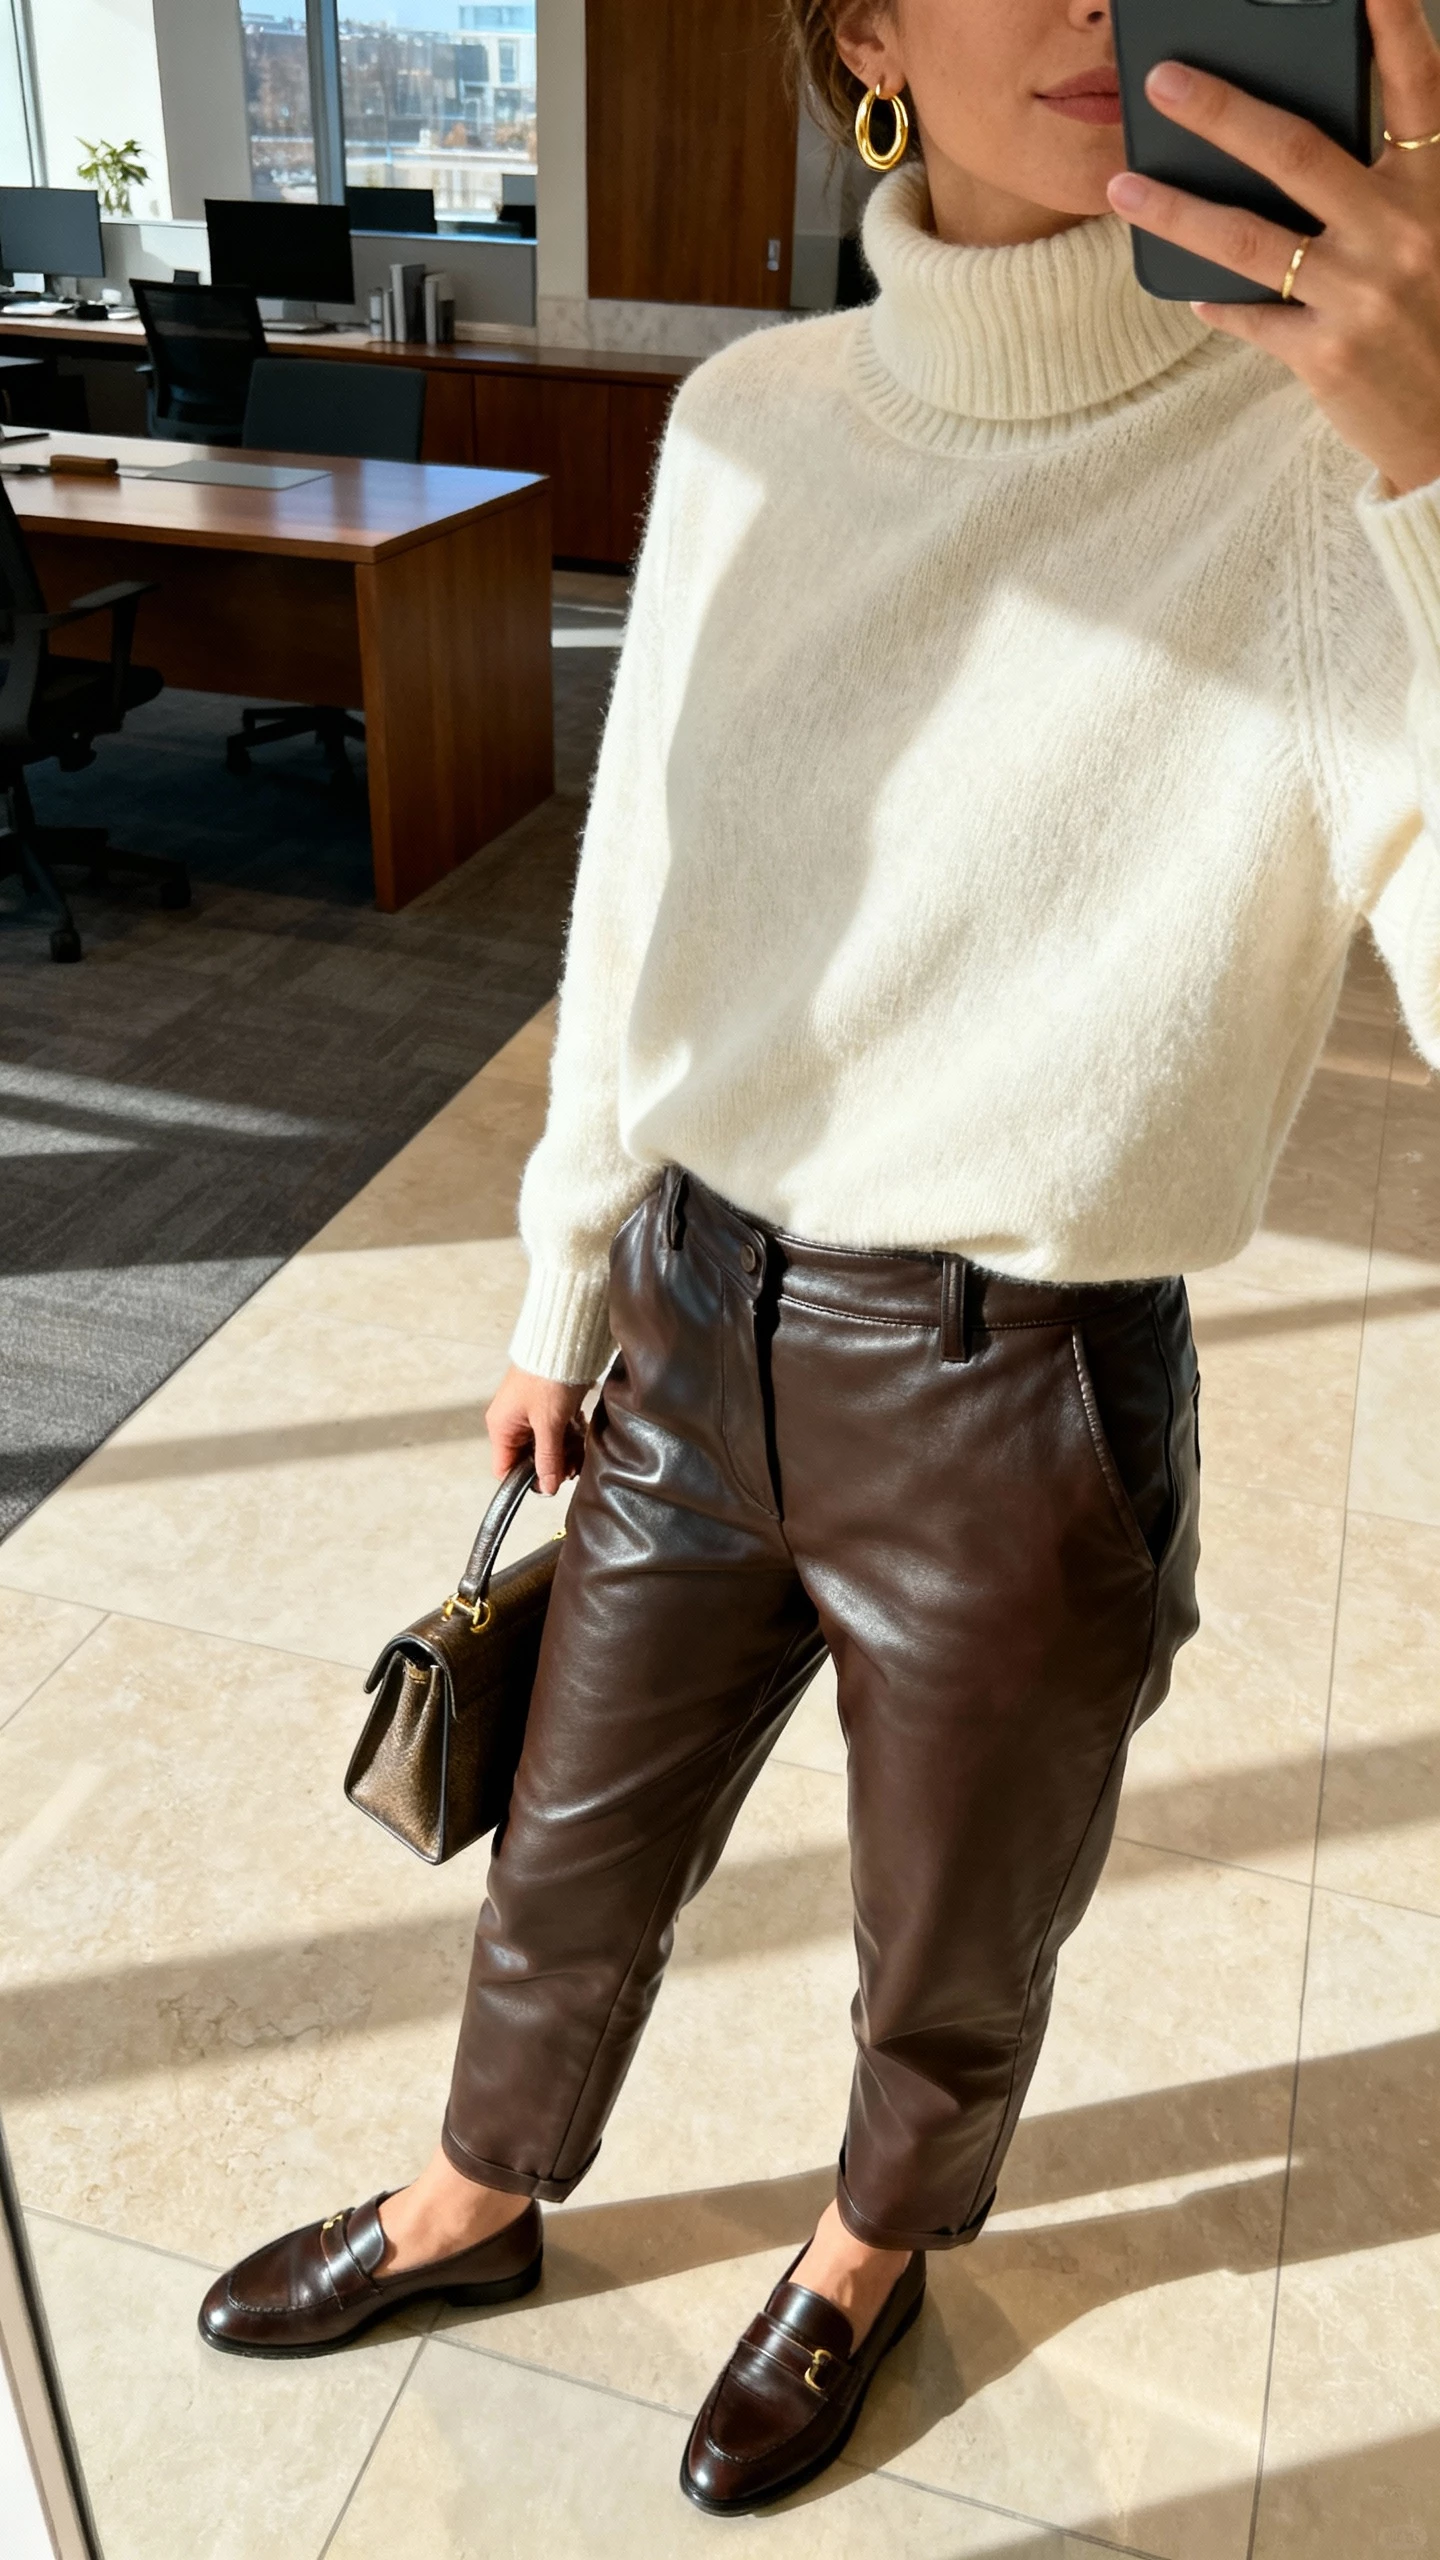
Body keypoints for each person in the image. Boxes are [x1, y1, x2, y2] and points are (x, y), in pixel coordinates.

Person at [200, 0, 1440, 2515]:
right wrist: (559, 1279)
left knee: (951, 1936)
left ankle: (868, 2251)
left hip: (1015, 1395)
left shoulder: (1331, 471)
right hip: (690, 1318)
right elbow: (644, 895)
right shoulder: (753, 423)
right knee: (565, 1848)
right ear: (863, 25)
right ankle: (473, 2193)